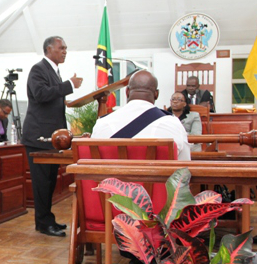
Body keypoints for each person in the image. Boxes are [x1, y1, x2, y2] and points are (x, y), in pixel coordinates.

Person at [22, 36, 82, 237]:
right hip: (39, 137)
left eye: (66, 48)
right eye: (61, 48)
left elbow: (51, 97)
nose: (65, 51)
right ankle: (43, 223)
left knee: (49, 182)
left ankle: (47, 219)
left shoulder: (53, 71)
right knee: (42, 183)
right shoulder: (38, 69)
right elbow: (40, 94)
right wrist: (69, 85)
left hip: (52, 138)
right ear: (49, 49)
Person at [92, 71, 191, 160]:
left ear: (127, 92)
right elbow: (184, 165)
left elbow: (93, 164)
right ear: (156, 94)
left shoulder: (103, 123)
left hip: (110, 180)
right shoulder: (173, 123)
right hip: (161, 180)